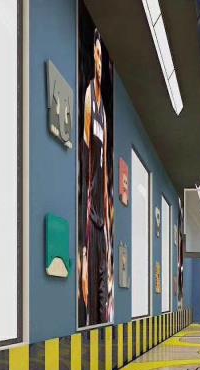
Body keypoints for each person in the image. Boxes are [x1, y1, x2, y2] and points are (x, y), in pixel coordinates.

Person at [79, 31, 114, 326]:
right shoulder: (90, 97)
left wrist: (109, 230)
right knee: (90, 290)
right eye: (97, 55)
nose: (100, 62)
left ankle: (103, 337)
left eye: (103, 57)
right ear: (92, 57)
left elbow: (104, 175)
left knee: (104, 291)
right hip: (90, 213)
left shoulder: (106, 114)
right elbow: (85, 157)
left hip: (103, 218)